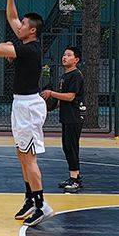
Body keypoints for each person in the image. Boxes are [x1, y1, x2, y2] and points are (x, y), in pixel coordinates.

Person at [0, 0, 51, 226]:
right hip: (21, 105)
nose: (19, 26)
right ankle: (30, 198)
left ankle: (41, 205)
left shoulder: (30, 49)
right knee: (21, 154)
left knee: (29, 157)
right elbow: (13, 18)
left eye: (24, 25)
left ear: (32, 31)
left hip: (29, 107)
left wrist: (9, 45)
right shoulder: (26, 42)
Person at [42, 45, 85, 191]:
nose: (64, 57)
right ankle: (74, 176)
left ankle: (75, 180)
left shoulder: (76, 75)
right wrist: (47, 107)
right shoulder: (64, 75)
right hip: (66, 117)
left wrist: (51, 93)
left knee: (71, 147)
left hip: (74, 117)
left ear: (76, 60)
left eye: (68, 55)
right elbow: (61, 100)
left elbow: (70, 96)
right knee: (67, 147)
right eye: (64, 54)